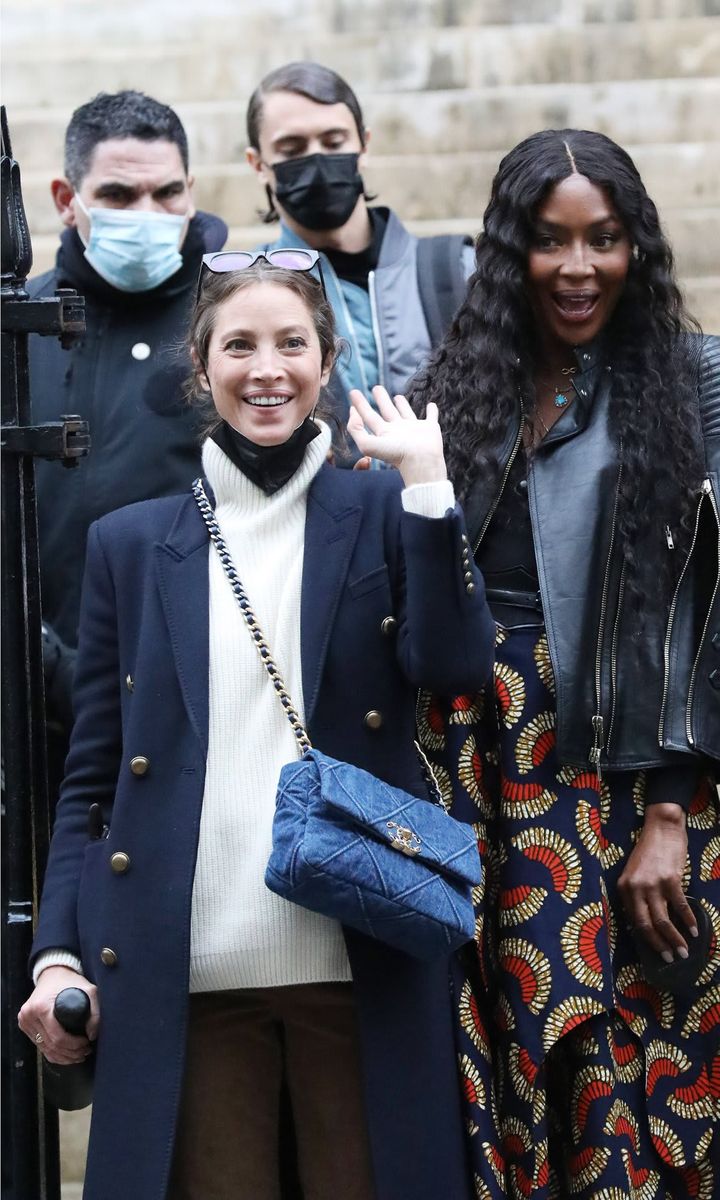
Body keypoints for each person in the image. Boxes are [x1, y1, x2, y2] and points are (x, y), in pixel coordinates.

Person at [18, 250, 496, 1200]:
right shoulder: (129, 542)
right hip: (186, 973)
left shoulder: (384, 506)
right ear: (203, 369)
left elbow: (454, 670)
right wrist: (58, 950)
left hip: (358, 957)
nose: (265, 368)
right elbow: (94, 774)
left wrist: (431, 492)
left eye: (292, 343)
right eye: (239, 345)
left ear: (328, 361)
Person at [409, 129, 720, 1197]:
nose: (579, 267)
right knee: (509, 1044)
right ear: (510, 253)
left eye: (605, 239)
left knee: (639, 1038)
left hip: (640, 758)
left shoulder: (697, 378)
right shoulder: (450, 390)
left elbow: (712, 601)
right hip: (482, 769)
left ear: (639, 246)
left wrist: (673, 810)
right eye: (550, 242)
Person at [28, 89, 228, 666]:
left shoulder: (244, 324)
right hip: (39, 685)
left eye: (167, 193)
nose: (146, 214)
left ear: (190, 191)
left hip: (205, 665)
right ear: (68, 200)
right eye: (118, 195)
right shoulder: (19, 329)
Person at [246, 60, 474, 461]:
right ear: (258, 164)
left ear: (363, 145)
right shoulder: (243, 293)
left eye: (333, 142)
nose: (317, 161)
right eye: (292, 149)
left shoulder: (457, 269)